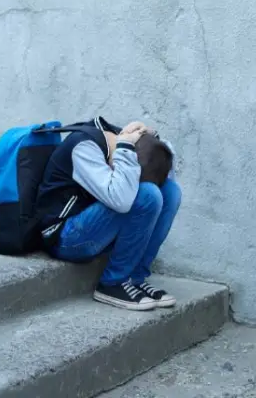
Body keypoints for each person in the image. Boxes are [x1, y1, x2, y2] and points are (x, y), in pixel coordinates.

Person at [35, 116, 182, 311]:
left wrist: (152, 135)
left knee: (171, 191)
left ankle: (135, 277)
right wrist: (125, 151)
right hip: (65, 236)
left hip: (97, 227)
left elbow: (162, 172)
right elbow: (121, 200)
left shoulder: (123, 138)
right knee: (147, 194)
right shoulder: (84, 147)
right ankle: (113, 283)